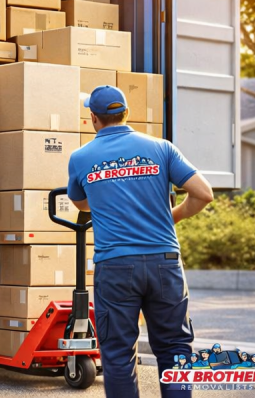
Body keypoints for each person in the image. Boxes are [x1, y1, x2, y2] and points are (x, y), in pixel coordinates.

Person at [68, 85, 214, 398]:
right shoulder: (162, 148)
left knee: (119, 353)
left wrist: (110, 195)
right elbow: (204, 193)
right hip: (165, 263)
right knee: (175, 347)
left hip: (116, 265)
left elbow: (81, 204)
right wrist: (170, 216)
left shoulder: (81, 158)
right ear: (126, 114)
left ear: (93, 118)